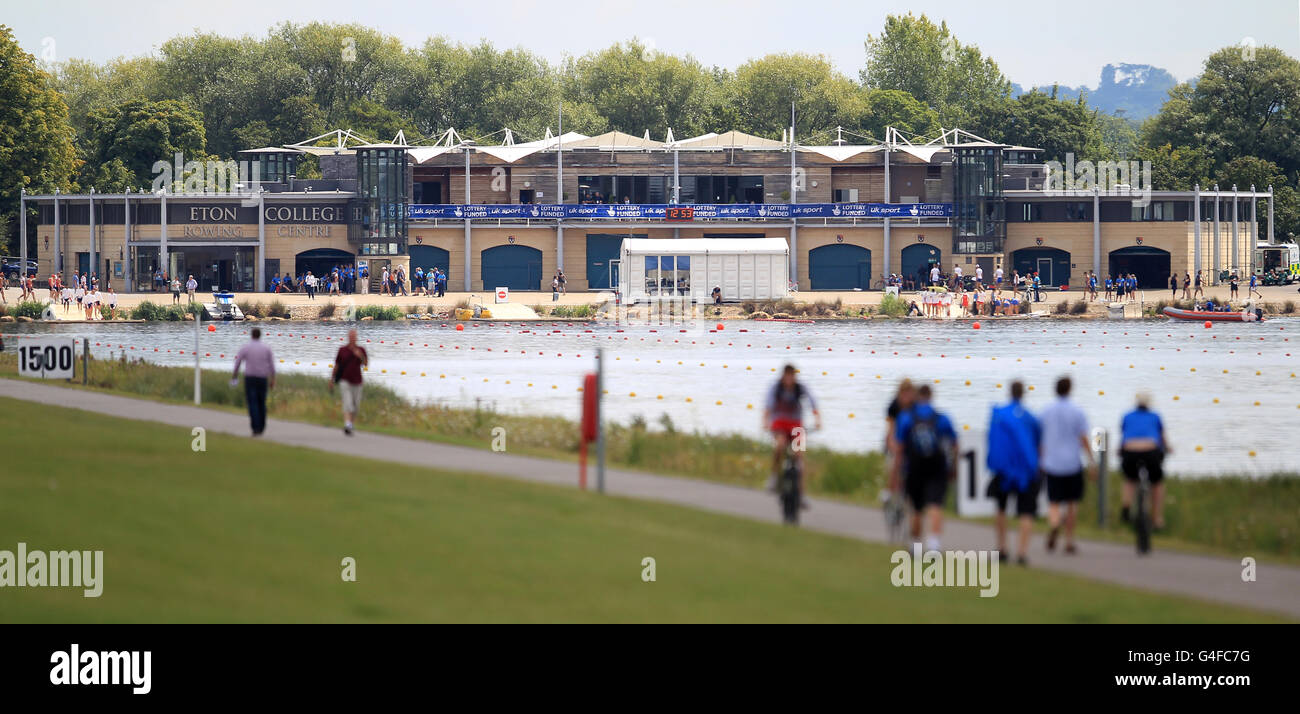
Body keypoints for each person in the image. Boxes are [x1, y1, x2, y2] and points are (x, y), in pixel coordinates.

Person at [892, 384, 957, 551]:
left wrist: (897, 472)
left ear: (917, 397)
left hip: (914, 467)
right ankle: (934, 545)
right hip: (937, 466)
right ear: (931, 396)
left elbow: (899, 448)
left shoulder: (906, 417)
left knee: (916, 508)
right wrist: (953, 467)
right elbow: (954, 445)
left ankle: (915, 545)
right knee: (935, 505)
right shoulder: (942, 418)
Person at [1038, 376, 1096, 555]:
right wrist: (1092, 462)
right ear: (1070, 389)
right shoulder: (1077, 411)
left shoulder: (1045, 411)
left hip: (1052, 463)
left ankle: (1055, 524)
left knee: (1054, 501)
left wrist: (1040, 460)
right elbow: (1084, 438)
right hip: (1072, 463)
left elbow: (1040, 439)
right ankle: (1069, 540)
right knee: (1072, 503)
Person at [986, 381, 1042, 565]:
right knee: (1026, 512)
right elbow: (1038, 444)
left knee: (1001, 509)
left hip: (1003, 470)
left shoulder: (998, 414)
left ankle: (1002, 548)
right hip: (1025, 471)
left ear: (1009, 393)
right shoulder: (1030, 417)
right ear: (1023, 394)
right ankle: (1022, 552)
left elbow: (991, 440)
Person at [763, 365, 821, 506]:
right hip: (779, 424)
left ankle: (801, 495)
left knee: (799, 458)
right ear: (783, 376)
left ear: (795, 377)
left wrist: (818, 420)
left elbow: (813, 403)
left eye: (792, 376)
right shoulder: (776, 388)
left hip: (796, 426)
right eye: (787, 376)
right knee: (780, 445)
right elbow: (768, 408)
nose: (789, 380)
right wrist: (765, 422)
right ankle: (774, 477)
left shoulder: (800, 388)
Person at [1119, 393, 1169, 530]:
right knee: (1157, 483)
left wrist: (1119, 451)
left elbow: (1124, 436)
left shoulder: (1127, 416)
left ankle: (1126, 505)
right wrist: (1168, 448)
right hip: (1150, 451)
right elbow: (1162, 439)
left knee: (1129, 479)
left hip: (1130, 450)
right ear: (1149, 403)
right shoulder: (1155, 416)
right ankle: (1157, 519)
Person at [231, 327, 275, 436]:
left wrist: (235, 376)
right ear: (260, 335)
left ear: (252, 335)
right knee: (262, 402)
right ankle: (262, 426)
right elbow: (272, 366)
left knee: (252, 402)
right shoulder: (266, 348)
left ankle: (255, 427)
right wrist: (273, 379)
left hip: (250, 378)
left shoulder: (246, 347)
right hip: (262, 378)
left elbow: (238, 362)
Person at [330, 329, 369, 436]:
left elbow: (366, 364)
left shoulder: (361, 349)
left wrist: (360, 355)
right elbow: (336, 365)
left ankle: (350, 424)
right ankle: (347, 424)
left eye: (354, 336)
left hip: (357, 381)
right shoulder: (342, 350)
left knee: (355, 406)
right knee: (348, 403)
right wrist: (331, 380)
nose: (352, 338)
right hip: (344, 380)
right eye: (351, 336)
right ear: (348, 337)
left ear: (356, 338)